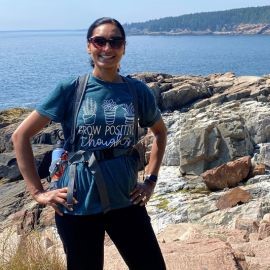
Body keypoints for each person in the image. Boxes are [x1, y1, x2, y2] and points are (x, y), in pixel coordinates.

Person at [12, 17, 167, 270]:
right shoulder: (71, 89)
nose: (107, 48)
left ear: (124, 47)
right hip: (77, 207)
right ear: (89, 46)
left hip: (126, 201)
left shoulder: (137, 90)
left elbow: (160, 133)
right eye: (100, 41)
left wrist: (150, 181)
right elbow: (20, 136)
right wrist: (38, 193)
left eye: (115, 41)